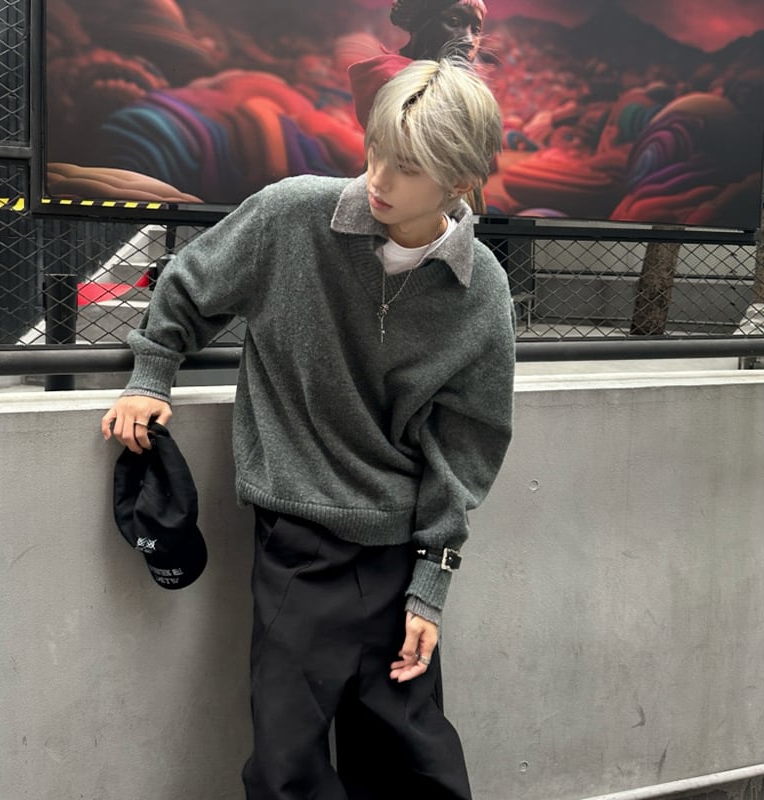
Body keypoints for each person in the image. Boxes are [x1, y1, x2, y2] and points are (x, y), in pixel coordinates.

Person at [102, 56, 514, 800]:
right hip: (297, 540)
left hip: (399, 547)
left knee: (414, 767)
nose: (379, 177)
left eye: (408, 166)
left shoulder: (479, 286)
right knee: (287, 765)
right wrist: (150, 375)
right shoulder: (291, 215)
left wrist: (430, 586)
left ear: (458, 179)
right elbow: (189, 286)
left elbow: (466, 446)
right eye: (376, 150)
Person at [390, 0, 487, 63]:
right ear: (419, 23)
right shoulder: (390, 78)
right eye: (454, 21)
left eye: (476, 30)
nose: (469, 40)